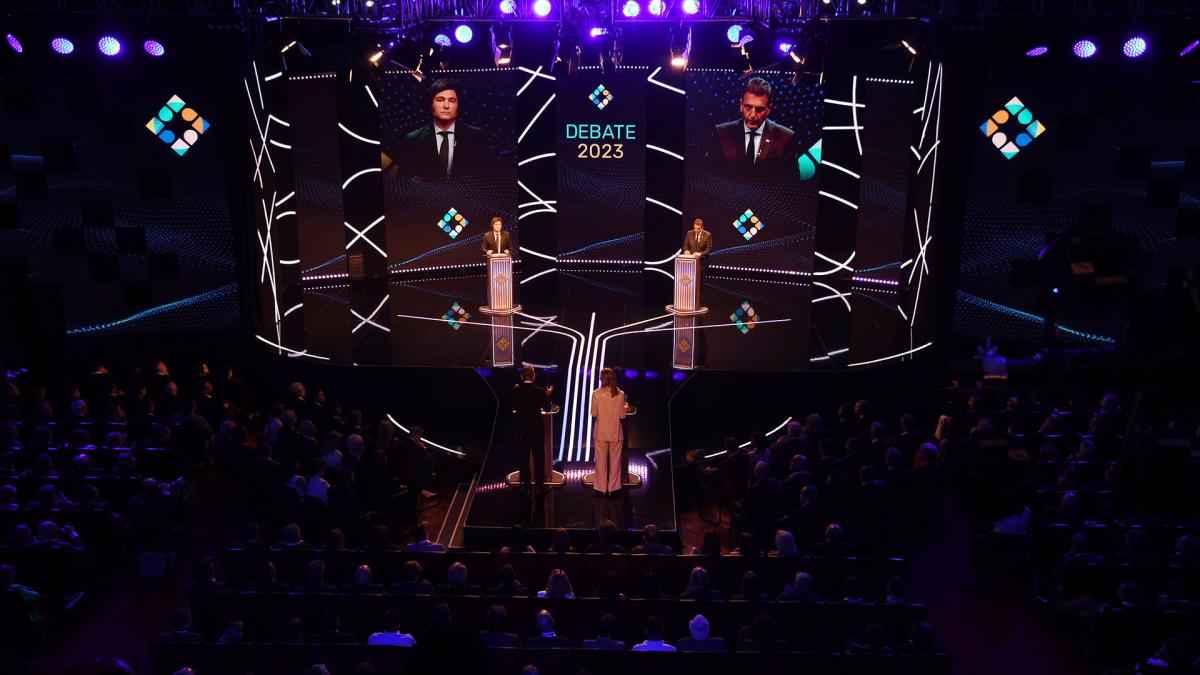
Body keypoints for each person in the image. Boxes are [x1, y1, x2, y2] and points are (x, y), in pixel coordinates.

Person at [400, 79, 489, 178]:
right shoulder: (413, 140)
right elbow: (406, 180)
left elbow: (486, 175)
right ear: (431, 104)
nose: (446, 106)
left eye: (452, 100)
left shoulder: (476, 136)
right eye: (440, 100)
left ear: (458, 106)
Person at [709, 77, 795, 171]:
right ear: (741, 105)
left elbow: (790, 177)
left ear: (769, 109)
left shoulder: (785, 137)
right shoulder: (721, 133)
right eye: (748, 107)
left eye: (759, 109)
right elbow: (710, 173)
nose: (753, 115)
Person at [511, 365, 554, 492]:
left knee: (523, 459)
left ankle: (526, 486)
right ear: (533, 377)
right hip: (537, 430)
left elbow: (512, 407)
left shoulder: (516, 391)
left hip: (522, 430)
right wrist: (547, 395)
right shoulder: (539, 391)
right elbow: (547, 408)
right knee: (539, 458)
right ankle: (540, 486)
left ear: (522, 377)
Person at [590, 368, 628, 496]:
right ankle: (613, 489)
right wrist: (625, 408)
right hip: (615, 432)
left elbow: (593, 413)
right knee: (615, 462)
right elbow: (622, 416)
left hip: (601, 432)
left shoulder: (596, 393)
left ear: (602, 378)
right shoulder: (621, 394)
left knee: (600, 462)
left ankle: (601, 489)